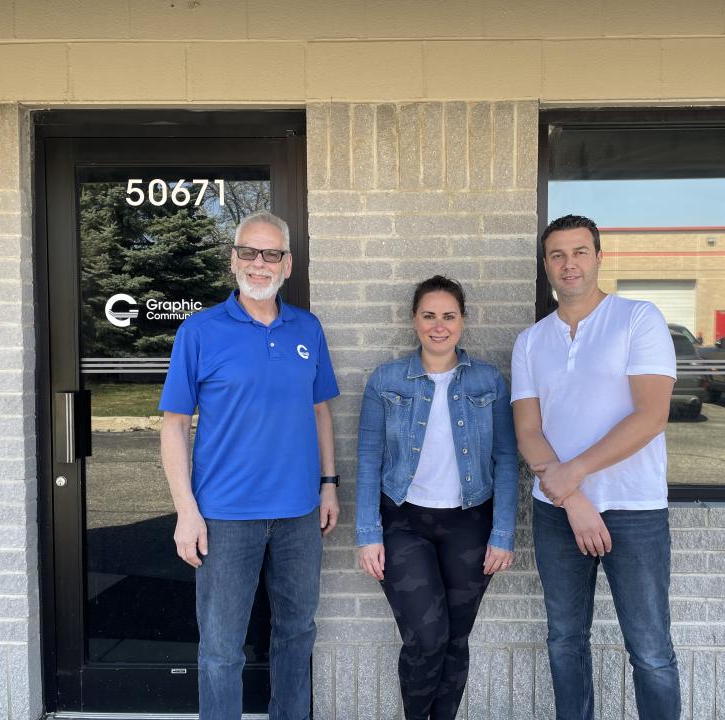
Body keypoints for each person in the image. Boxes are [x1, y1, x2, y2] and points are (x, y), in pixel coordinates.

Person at [159, 211, 340, 720]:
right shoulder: (200, 332)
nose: (259, 264)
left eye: (271, 254)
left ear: (287, 262)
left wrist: (329, 484)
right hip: (224, 516)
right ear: (233, 258)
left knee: (297, 633)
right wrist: (185, 511)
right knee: (221, 648)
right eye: (249, 253)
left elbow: (319, 409)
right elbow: (173, 426)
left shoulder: (307, 327)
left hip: (299, 514)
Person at [511, 215, 681, 720]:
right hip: (558, 513)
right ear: (546, 265)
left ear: (599, 256)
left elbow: (651, 415)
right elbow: (528, 431)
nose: (569, 264)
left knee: (650, 649)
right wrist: (572, 497)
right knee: (565, 640)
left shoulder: (638, 318)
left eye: (580, 252)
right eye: (557, 255)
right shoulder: (531, 341)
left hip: (634, 509)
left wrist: (575, 472)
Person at [355, 275, 519, 720]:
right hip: (404, 523)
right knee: (426, 639)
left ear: (462, 321)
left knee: (456, 639)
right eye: (429, 315)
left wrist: (503, 532)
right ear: (414, 320)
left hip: (470, 522)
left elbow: (507, 459)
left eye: (448, 316)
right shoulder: (387, 380)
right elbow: (368, 458)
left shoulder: (488, 380)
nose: (438, 326)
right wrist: (368, 534)